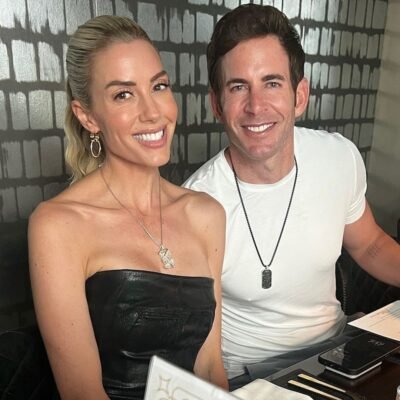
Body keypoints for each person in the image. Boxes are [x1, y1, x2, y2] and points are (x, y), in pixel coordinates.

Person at [184, 3, 400, 389]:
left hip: (339, 351)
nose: (256, 106)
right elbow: (203, 350)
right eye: (238, 87)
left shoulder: (338, 157)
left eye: (272, 83)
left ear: (299, 95)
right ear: (217, 104)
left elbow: (370, 246)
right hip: (254, 376)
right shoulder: (197, 204)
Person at [28, 15, 228, 400]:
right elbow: (82, 394)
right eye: (124, 94)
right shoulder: (57, 225)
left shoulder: (206, 214)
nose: (153, 112)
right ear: (88, 117)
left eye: (159, 86)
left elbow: (209, 366)